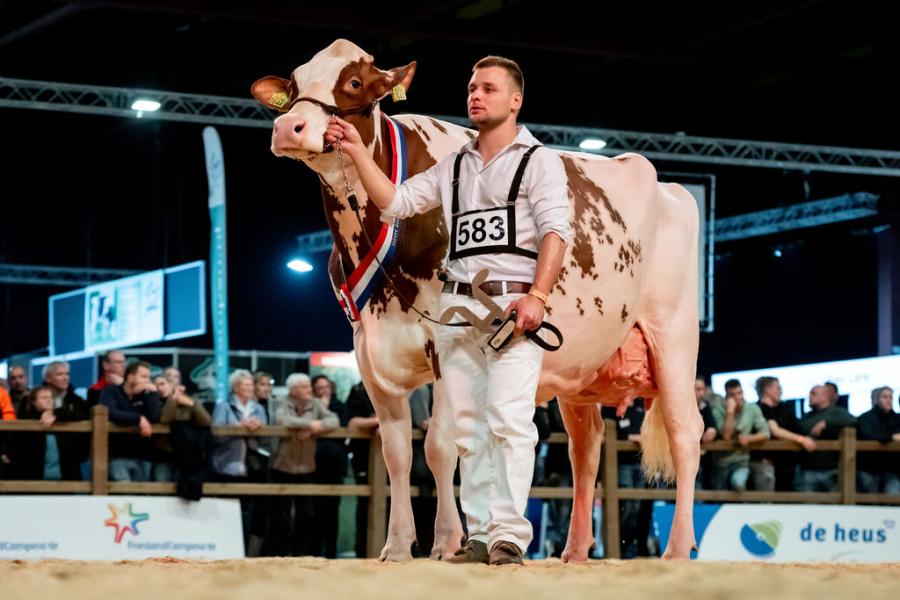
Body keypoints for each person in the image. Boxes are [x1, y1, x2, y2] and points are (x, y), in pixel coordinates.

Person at [325, 54, 570, 566]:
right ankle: (479, 534)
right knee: (465, 426)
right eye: (471, 87)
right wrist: (356, 152)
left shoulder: (537, 160)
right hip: (458, 306)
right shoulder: (455, 164)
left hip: (511, 307)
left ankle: (508, 534)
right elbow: (395, 202)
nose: (475, 95)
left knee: (509, 420)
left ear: (515, 100)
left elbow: (555, 231)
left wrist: (539, 295)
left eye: (488, 88)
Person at [270, 373, 339, 556]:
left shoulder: (315, 404)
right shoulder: (280, 402)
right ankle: (281, 555)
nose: (310, 389)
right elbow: (282, 420)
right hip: (283, 466)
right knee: (282, 516)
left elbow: (334, 420)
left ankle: (300, 553)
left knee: (307, 514)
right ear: (293, 390)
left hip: (307, 467)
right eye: (305, 386)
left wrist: (318, 427)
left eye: (309, 386)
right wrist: (310, 424)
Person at [211, 369, 269, 555]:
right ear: (236, 387)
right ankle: (224, 551)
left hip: (251, 468)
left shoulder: (258, 408)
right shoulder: (223, 406)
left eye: (252, 384)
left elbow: (266, 438)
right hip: (227, 466)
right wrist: (238, 427)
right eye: (246, 385)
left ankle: (242, 553)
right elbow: (216, 435)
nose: (251, 388)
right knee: (226, 511)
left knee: (248, 513)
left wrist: (257, 428)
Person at [98, 361, 162, 482]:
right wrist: (139, 419)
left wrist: (152, 391)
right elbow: (110, 412)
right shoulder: (111, 392)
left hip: (143, 456)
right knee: (124, 495)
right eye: (143, 377)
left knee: (143, 496)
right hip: (117, 455)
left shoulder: (146, 395)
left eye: (149, 377)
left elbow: (154, 417)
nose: (147, 381)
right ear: (130, 377)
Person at [310, 374, 349, 558]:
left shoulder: (339, 405)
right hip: (313, 464)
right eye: (319, 387)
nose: (323, 390)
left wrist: (323, 415)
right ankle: (314, 551)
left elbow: (342, 424)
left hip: (334, 464)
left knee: (332, 512)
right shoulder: (309, 406)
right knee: (313, 511)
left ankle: (331, 552)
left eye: (326, 387)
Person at [755, 376, 816, 491]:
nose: (781, 391)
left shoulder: (784, 409)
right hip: (768, 465)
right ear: (767, 390)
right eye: (778, 388)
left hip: (788, 465)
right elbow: (775, 430)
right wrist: (802, 440)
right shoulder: (760, 408)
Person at [711, 379, 770, 491]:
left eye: (740, 393)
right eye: (733, 395)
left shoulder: (752, 409)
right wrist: (730, 412)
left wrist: (749, 438)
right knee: (719, 495)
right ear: (726, 396)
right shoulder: (717, 410)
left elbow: (765, 433)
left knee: (738, 483)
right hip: (720, 462)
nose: (737, 397)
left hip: (741, 460)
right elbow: (726, 436)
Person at [797, 385, 857, 492]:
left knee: (835, 506)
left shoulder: (837, 412)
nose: (809, 397)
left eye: (813, 394)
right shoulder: (806, 417)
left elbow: (853, 421)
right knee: (808, 505)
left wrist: (826, 423)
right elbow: (802, 429)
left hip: (832, 469)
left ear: (825, 396)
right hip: (809, 469)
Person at [153, 374, 211, 482]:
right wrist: (173, 399)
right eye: (156, 386)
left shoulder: (186, 399)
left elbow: (206, 421)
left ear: (171, 385)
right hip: (164, 455)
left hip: (186, 455)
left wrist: (192, 405)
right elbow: (165, 419)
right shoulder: (154, 403)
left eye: (162, 384)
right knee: (160, 486)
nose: (159, 388)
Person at [41, 361, 90, 479]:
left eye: (67, 374)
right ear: (48, 378)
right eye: (60, 374)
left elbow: (84, 415)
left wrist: (56, 414)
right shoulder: (35, 397)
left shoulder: (76, 400)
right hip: (40, 462)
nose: (65, 378)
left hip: (71, 462)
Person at [855, 386, 900, 494]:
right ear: (876, 399)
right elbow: (868, 435)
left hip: (892, 469)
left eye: (890, 397)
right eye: (885, 397)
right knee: (871, 499)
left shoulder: (897, 418)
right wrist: (891, 437)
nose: (888, 400)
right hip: (869, 468)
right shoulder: (865, 418)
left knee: (893, 496)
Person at [12, 386, 62, 480]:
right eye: (44, 397)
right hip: (33, 479)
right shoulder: (26, 420)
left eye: (50, 397)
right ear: (33, 402)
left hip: (62, 481)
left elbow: (78, 415)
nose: (48, 400)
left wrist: (55, 415)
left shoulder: (62, 417)